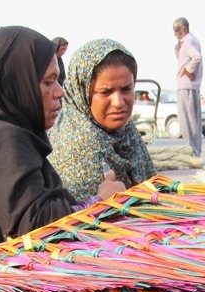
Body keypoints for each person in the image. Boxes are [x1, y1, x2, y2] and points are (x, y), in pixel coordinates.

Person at [0, 26, 125, 276]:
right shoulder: (4, 138)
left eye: (58, 81)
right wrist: (102, 203)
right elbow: (40, 230)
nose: (60, 92)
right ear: (16, 82)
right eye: (48, 82)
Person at [49, 38, 155, 205]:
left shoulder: (127, 132)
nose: (118, 102)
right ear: (83, 93)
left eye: (126, 89)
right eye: (106, 92)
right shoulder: (78, 146)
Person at [173, 17, 203, 157]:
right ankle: (196, 152)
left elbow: (197, 57)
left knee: (187, 122)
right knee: (194, 122)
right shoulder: (192, 41)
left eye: (177, 30)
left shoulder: (188, 42)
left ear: (184, 29)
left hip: (186, 86)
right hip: (192, 86)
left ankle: (192, 152)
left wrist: (188, 70)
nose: (175, 34)